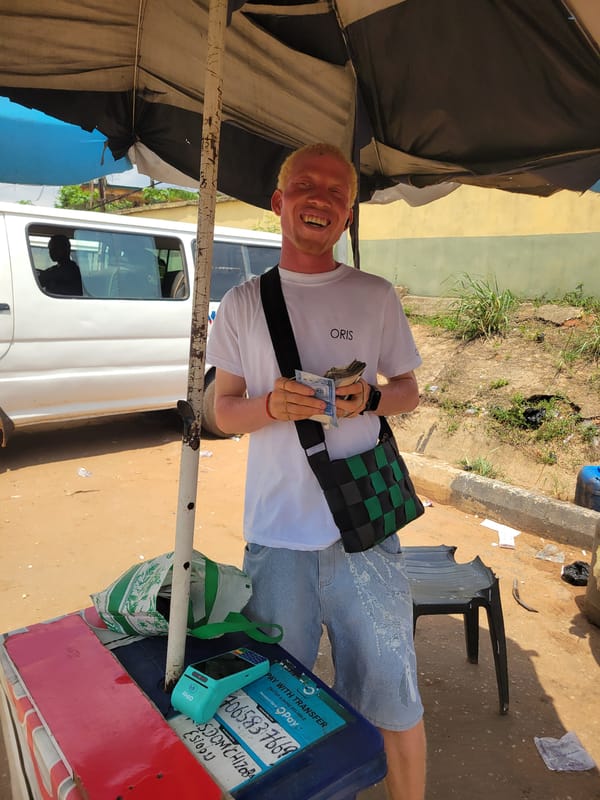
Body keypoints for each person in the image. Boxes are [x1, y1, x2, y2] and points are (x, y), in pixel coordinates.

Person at [207, 143, 426, 800]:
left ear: (348, 213)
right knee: (279, 700)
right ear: (279, 203)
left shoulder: (374, 295)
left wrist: (374, 399)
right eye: (306, 185)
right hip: (276, 540)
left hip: (363, 532)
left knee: (393, 693)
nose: (320, 199)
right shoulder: (243, 303)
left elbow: (409, 388)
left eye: (336, 192)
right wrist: (270, 406)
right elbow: (221, 411)